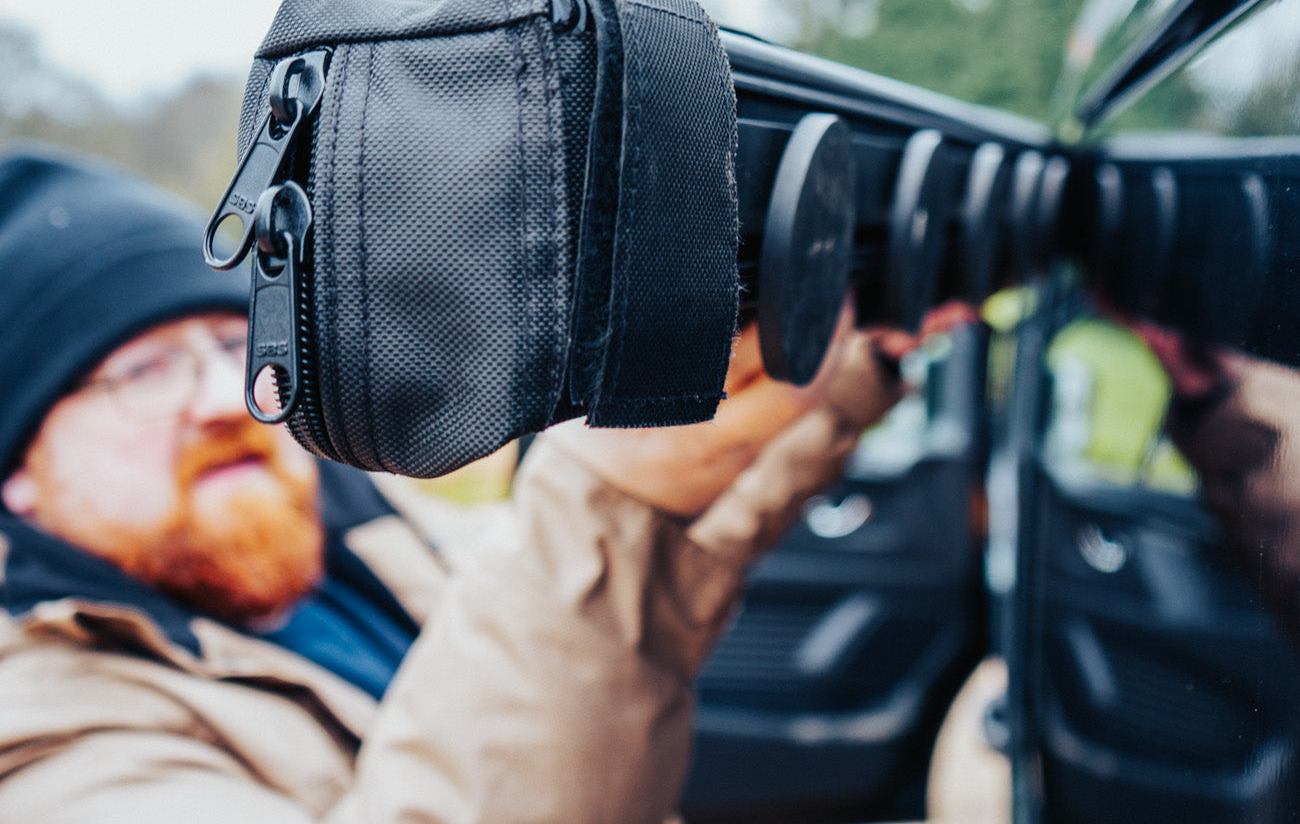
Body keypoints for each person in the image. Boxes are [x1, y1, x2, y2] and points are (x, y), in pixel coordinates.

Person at [0, 146, 906, 822]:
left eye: (236, 344)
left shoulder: (374, 533)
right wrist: (603, 492)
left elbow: (637, 580)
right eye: (143, 371)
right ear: (17, 478)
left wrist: (825, 376)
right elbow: (577, 573)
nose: (222, 399)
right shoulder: (44, 735)